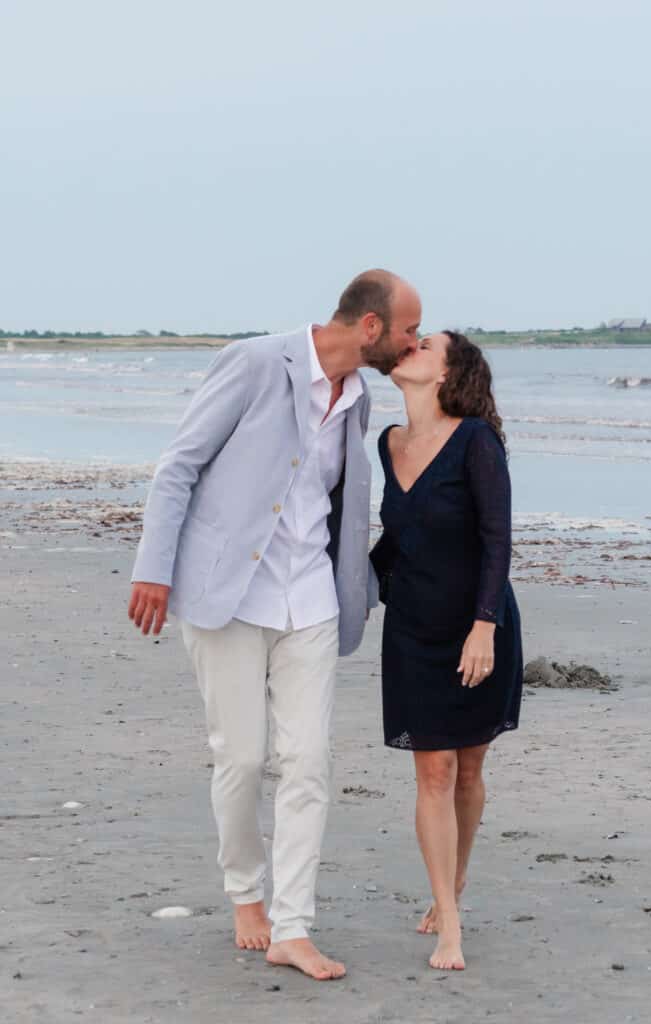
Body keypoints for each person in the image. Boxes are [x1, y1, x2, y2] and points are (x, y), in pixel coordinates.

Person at [128, 270, 421, 981]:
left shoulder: (359, 397)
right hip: (228, 591)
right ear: (372, 326)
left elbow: (340, 501)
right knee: (243, 757)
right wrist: (153, 569)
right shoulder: (257, 363)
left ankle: (293, 926)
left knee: (309, 763)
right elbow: (179, 466)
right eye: (410, 328)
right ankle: (245, 895)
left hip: (311, 597)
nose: (415, 341)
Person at [370, 331, 522, 971]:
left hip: (475, 629)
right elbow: (391, 537)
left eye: (425, 344)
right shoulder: (389, 443)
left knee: (468, 770)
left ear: (447, 372)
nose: (410, 346)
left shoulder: (476, 442)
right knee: (432, 772)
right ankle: (449, 919)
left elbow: (496, 538)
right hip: (411, 628)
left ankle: (453, 884)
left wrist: (483, 625)